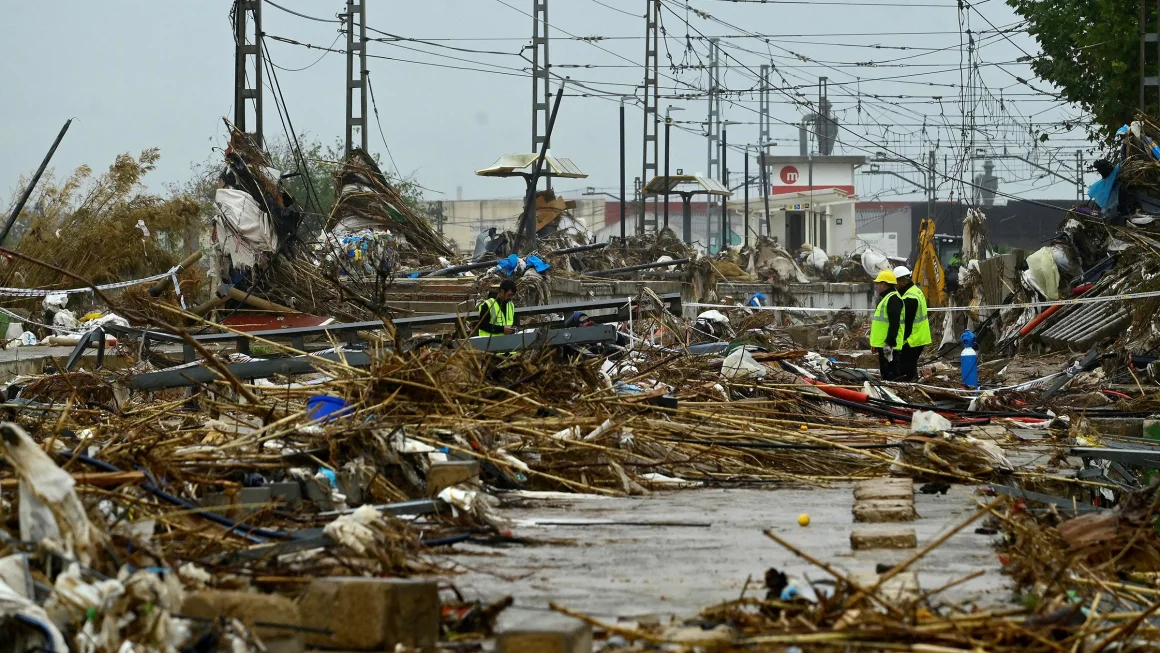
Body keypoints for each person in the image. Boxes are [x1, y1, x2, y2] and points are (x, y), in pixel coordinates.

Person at [893, 265, 932, 382]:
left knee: (906, 371)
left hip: (912, 339)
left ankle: (909, 390)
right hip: (920, 336)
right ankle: (913, 386)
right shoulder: (916, 291)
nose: (895, 285)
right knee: (910, 367)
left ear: (903, 281)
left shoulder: (910, 297)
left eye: (896, 282)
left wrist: (900, 341)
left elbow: (907, 323)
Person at [869, 269, 903, 381]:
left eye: (878, 283)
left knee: (891, 376)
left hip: (889, 346)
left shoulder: (893, 299)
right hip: (884, 345)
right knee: (886, 374)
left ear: (885, 284)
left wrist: (889, 343)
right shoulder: (887, 298)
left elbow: (894, 323)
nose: (876, 286)